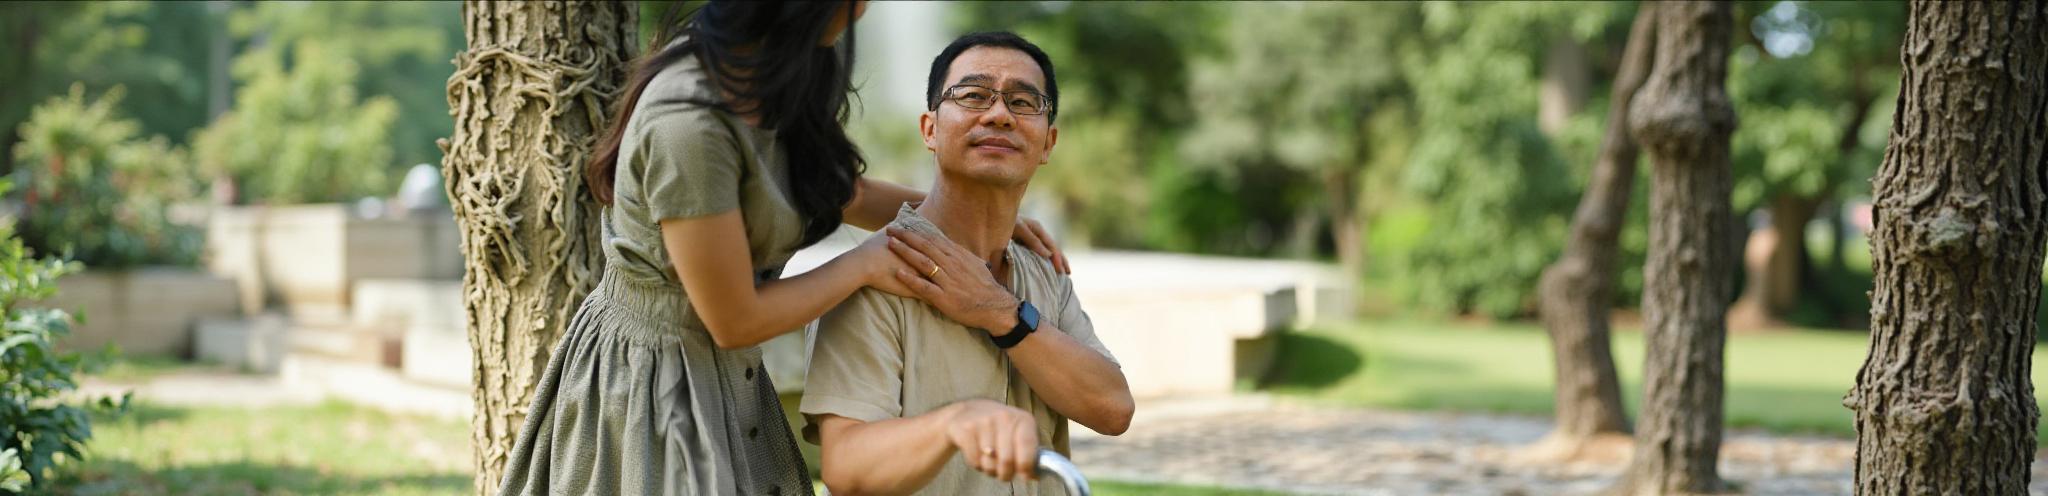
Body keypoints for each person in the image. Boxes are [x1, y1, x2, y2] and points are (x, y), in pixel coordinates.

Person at [495, 4, 1071, 495]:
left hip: (733, 379)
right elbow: (734, 319)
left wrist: (972, 218)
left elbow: (842, 191)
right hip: (652, 389)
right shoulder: (689, 124)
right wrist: (865, 265)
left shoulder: (779, 68)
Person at [801, 31, 1135, 496]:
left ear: (1047, 143)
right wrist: (955, 425)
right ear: (930, 130)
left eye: (1023, 102)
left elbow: (1113, 408)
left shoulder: (1042, 269)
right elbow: (846, 468)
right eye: (973, 95)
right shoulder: (879, 272)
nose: (999, 115)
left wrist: (1000, 312)